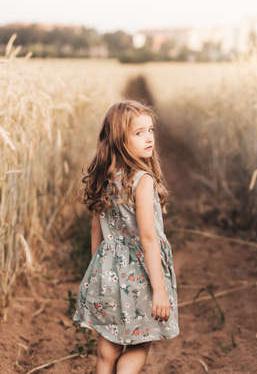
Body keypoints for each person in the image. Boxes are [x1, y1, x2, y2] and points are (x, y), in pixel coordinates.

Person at [72, 99, 179, 374]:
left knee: (107, 347)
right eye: (139, 132)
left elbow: (96, 230)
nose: (149, 138)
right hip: (140, 276)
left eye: (151, 130)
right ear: (120, 139)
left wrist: (96, 270)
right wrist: (159, 291)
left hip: (107, 272)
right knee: (139, 345)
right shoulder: (142, 181)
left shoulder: (105, 178)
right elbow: (149, 239)